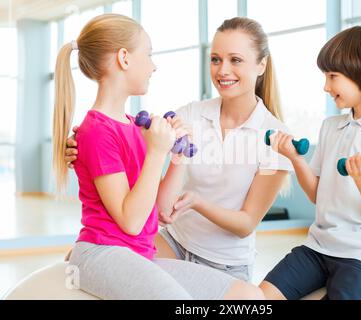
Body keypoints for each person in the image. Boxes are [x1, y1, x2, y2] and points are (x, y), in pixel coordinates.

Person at [64, 17, 294, 282]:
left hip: (228, 264)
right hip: (172, 244)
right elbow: (120, 139)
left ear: (261, 65)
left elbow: (246, 225)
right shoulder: (191, 114)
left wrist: (197, 202)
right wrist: (80, 146)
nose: (222, 70)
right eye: (216, 59)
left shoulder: (274, 139)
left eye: (236, 60)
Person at [260, 26, 361, 300]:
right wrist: (296, 159)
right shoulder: (331, 127)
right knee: (258, 297)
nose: (326, 86)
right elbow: (317, 196)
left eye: (333, 76)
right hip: (317, 247)